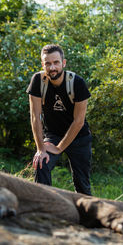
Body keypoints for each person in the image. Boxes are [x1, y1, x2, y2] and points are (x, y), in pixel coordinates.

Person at [26, 44, 92, 195]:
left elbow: (78, 121)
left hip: (79, 137)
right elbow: (35, 116)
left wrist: (59, 148)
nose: (52, 67)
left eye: (56, 62)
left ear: (63, 63)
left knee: (82, 186)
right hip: (53, 135)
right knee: (41, 162)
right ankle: (45, 209)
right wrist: (41, 148)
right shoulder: (38, 81)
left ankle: (87, 216)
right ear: (43, 65)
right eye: (48, 63)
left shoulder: (77, 83)